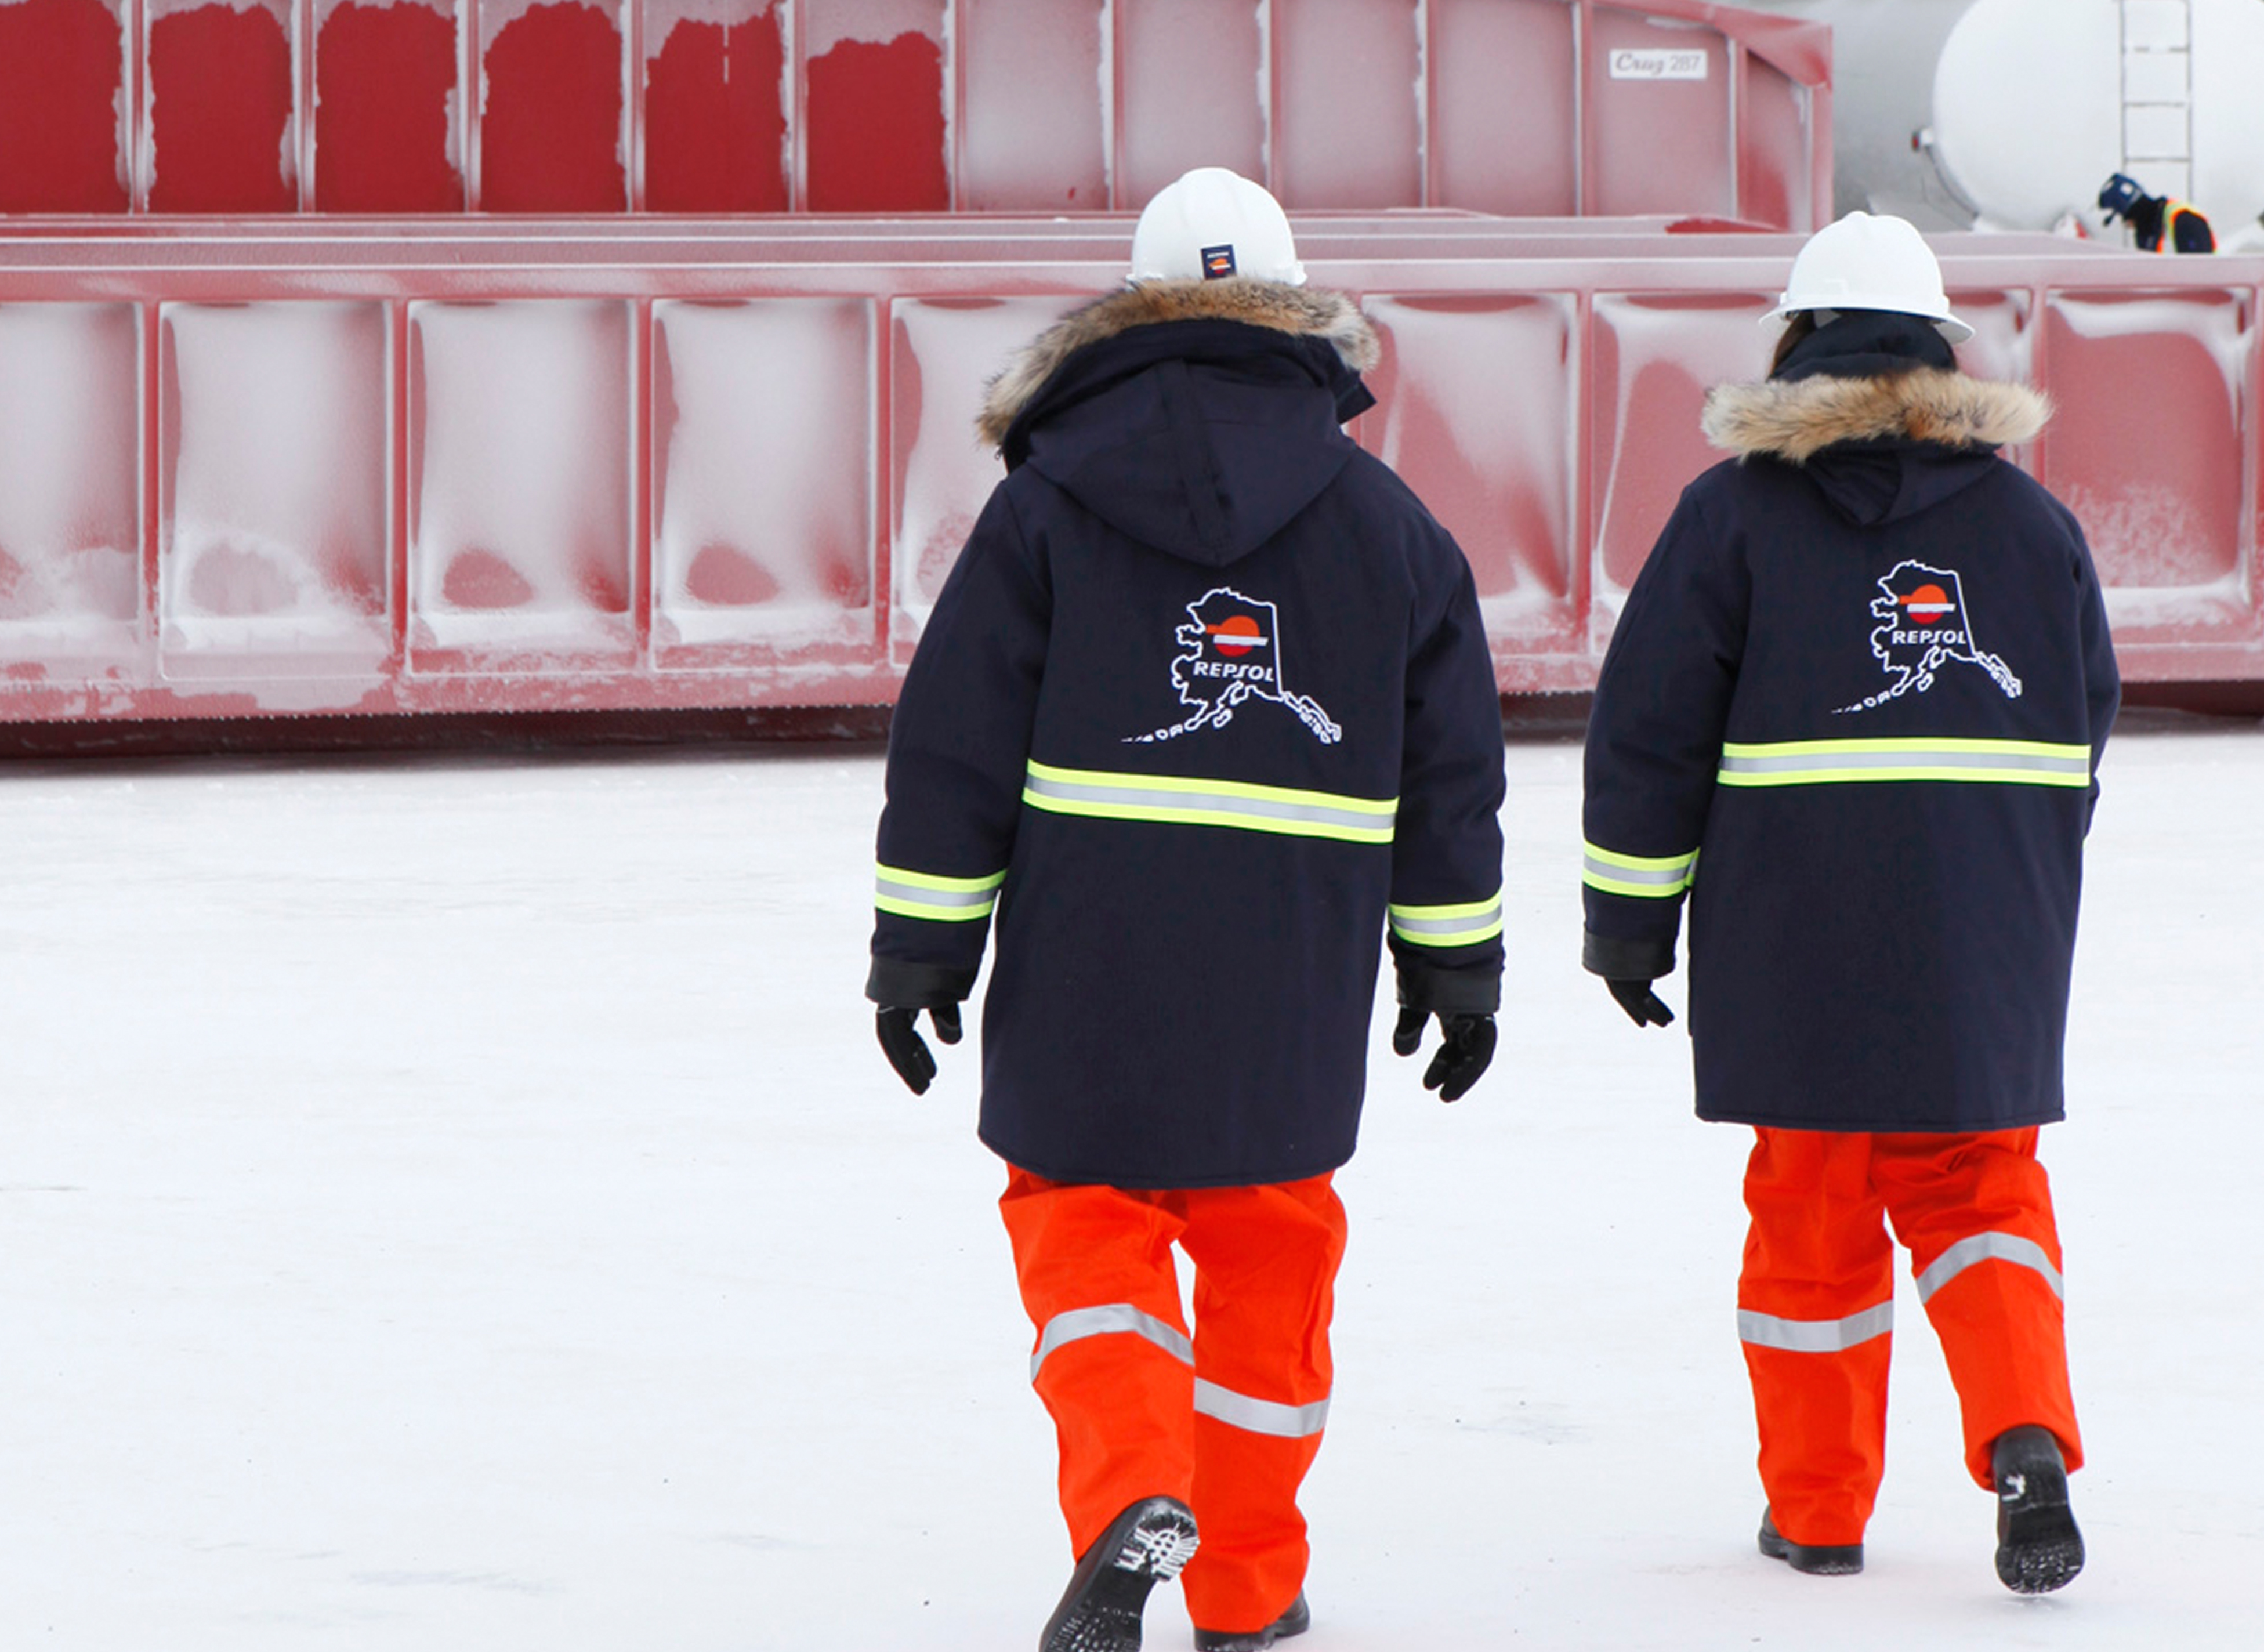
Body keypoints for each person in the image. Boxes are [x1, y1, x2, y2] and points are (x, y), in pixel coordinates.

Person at [867, 166, 1508, 1652]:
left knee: (1086, 1232)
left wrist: (919, 948)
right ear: (1295, 306)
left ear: (1132, 308)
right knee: (1266, 1268)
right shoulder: (1390, 527)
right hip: (1290, 971)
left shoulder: (1040, 508)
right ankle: (1245, 1584)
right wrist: (1453, 960)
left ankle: (1126, 1499)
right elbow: (1449, 772)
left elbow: (952, 741)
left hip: (1086, 965)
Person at [1578, 211, 2118, 1595]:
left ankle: (1815, 1509)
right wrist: (2014, 878)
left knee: (1810, 1206)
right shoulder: (2031, 524)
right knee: (1981, 1187)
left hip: (1790, 935)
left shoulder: (1729, 515)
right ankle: (2024, 1440)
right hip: (1981, 932)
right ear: (1938, 346)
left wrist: (1630, 915)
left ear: (1796, 343)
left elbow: (1649, 726)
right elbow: (2081, 727)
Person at [2096, 171, 2216, 253]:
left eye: (2125, 219)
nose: (2129, 226)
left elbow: (2200, 271)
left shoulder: (2182, 219)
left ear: (2132, 214)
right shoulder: (2150, 231)